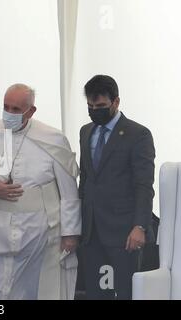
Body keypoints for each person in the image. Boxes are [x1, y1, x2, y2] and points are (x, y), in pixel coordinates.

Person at [0, 84, 81, 300]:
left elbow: (69, 191)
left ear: (31, 111)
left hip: (38, 231)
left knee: (32, 291)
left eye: (16, 109)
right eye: (6, 107)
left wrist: (70, 233)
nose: (9, 113)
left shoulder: (52, 138)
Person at [79, 75, 155, 300]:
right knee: (95, 293)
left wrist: (140, 226)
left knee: (123, 293)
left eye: (101, 106)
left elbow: (144, 184)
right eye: (90, 106)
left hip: (124, 232)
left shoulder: (138, 134)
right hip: (91, 231)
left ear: (116, 102)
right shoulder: (86, 131)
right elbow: (85, 179)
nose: (95, 110)